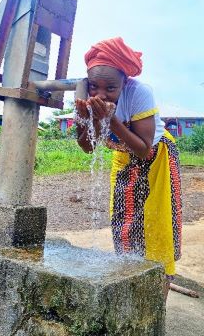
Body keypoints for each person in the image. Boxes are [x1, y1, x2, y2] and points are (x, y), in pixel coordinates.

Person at [75, 37, 182, 299]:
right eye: (94, 87)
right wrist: (93, 119)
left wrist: (110, 120)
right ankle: (130, 294)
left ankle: (158, 300)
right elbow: (87, 146)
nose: (101, 94)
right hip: (123, 158)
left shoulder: (139, 92)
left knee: (156, 227)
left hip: (156, 158)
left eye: (111, 87)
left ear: (125, 82)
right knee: (124, 222)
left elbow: (144, 148)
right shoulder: (83, 93)